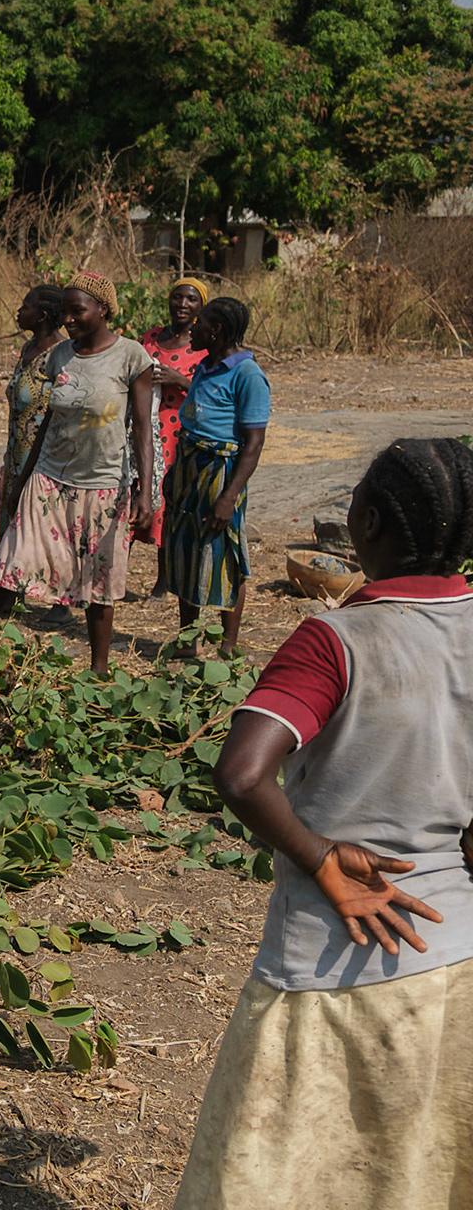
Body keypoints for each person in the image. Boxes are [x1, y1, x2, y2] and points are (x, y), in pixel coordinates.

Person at [173, 437, 473, 1209]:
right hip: (456, 956)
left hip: (333, 967)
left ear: (365, 522)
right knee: (419, 1175)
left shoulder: (337, 640)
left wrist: (320, 858)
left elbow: (242, 775)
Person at [0, 270, 155, 675]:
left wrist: (147, 491)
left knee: (99, 579)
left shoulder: (132, 357)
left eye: (78, 311)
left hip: (105, 484)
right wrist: (21, 477)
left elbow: (143, 428)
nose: (69, 320)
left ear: (103, 310)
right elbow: (47, 421)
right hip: (49, 477)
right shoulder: (59, 356)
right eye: (65, 312)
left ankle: (99, 668)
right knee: (8, 560)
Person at [162, 297, 269, 654]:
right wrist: (174, 473)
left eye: (200, 323)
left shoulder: (248, 375)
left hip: (221, 473)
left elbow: (253, 445)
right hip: (189, 467)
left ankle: (228, 644)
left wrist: (228, 497)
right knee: (185, 548)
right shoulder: (206, 366)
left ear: (218, 331)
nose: (193, 328)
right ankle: (187, 638)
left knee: (224, 554)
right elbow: (191, 422)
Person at [141, 276, 212, 597]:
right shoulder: (151, 338)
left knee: (170, 502)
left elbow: (209, 394)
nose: (183, 304)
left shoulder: (203, 347)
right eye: (178, 297)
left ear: (201, 307)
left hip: (177, 434)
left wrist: (176, 379)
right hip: (143, 428)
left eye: (191, 300)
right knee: (133, 496)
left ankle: (164, 579)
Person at [0, 284, 66, 539]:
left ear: (43, 315)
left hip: (42, 464)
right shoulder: (28, 348)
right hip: (16, 460)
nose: (19, 311)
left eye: (25, 306)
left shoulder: (62, 355)